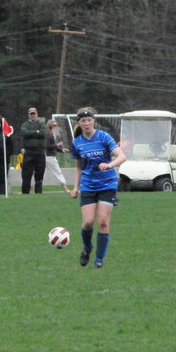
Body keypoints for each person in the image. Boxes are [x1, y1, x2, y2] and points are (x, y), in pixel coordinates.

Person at [70, 107, 127, 269]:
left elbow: (122, 156)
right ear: (79, 123)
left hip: (107, 184)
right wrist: (75, 187)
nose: (87, 123)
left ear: (93, 121)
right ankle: (87, 248)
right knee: (88, 222)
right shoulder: (76, 143)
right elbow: (79, 167)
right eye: (83, 121)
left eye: (89, 120)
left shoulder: (104, 137)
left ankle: (99, 259)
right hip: (88, 185)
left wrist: (110, 165)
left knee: (102, 221)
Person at [20, 107, 47, 194]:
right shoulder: (25, 124)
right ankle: (25, 192)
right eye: (31, 114)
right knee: (26, 174)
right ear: (29, 115)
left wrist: (31, 133)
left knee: (39, 173)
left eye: (34, 114)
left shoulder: (41, 123)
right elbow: (24, 133)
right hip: (29, 152)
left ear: (37, 114)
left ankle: (38, 192)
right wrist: (36, 132)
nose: (33, 115)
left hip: (40, 152)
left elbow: (43, 133)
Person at [45, 119, 71, 194]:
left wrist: (61, 150)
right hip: (49, 157)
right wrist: (57, 145)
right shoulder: (49, 135)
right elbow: (47, 146)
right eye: (54, 125)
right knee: (58, 172)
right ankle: (66, 189)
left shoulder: (53, 135)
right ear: (50, 126)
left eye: (56, 125)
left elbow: (53, 147)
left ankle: (33, 189)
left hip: (49, 156)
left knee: (41, 173)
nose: (56, 127)